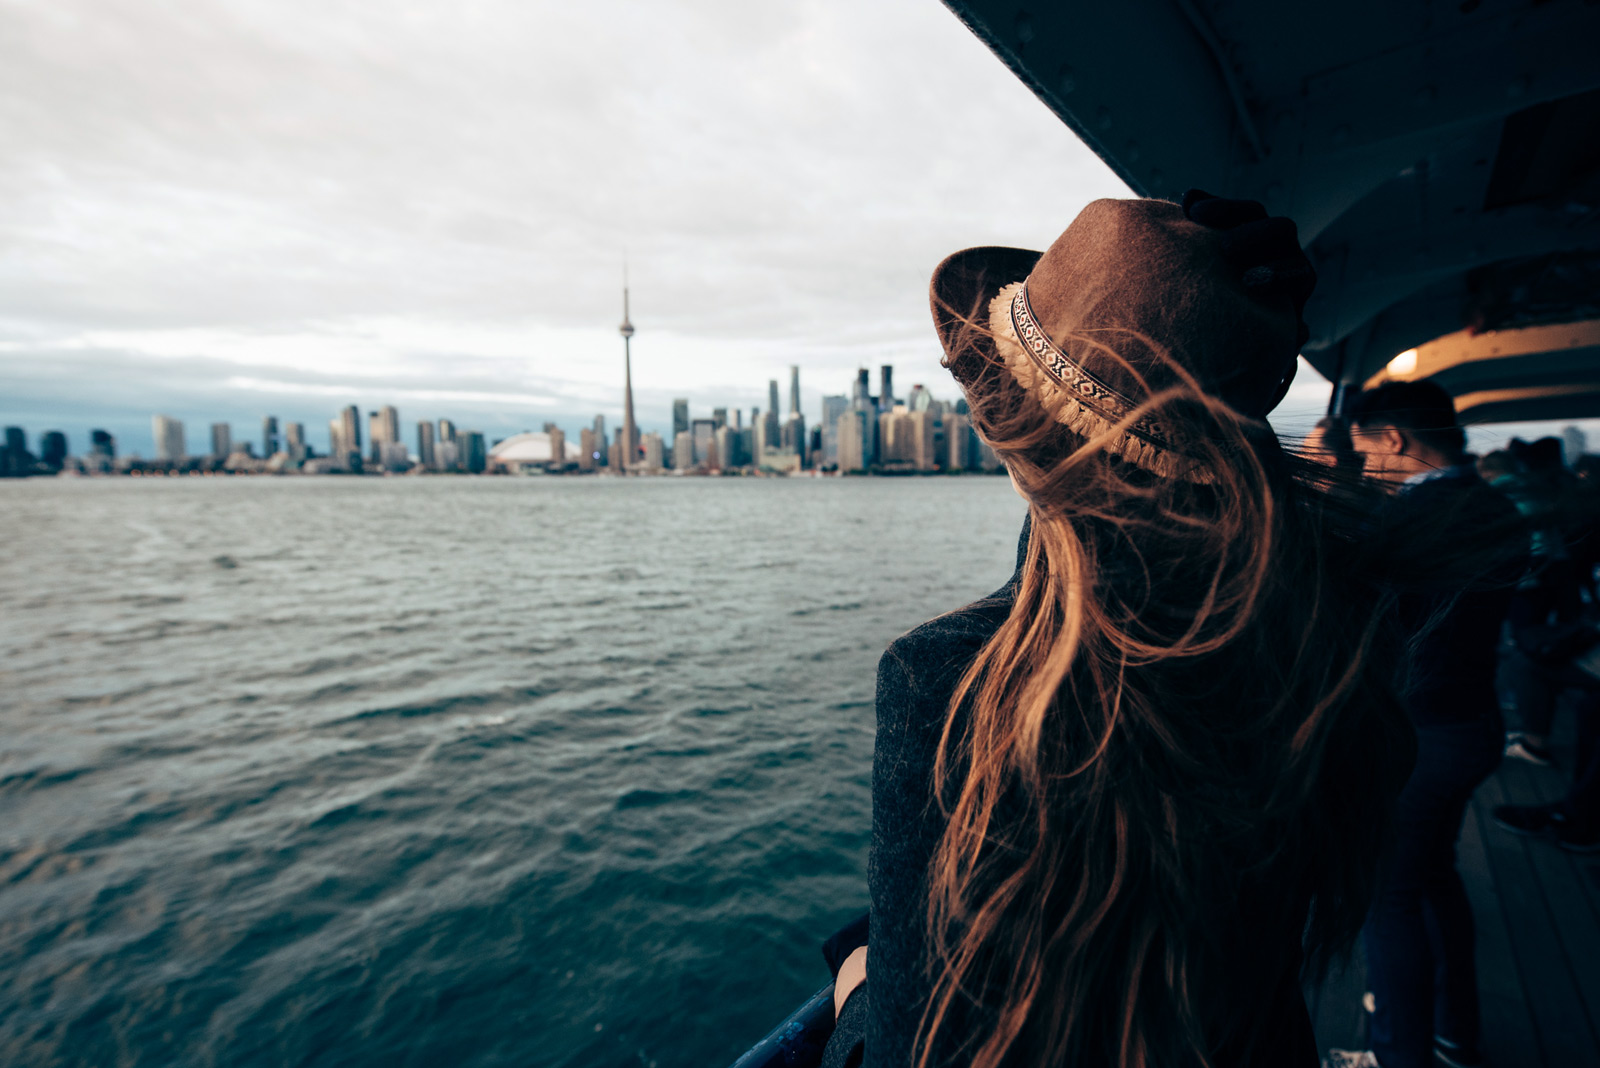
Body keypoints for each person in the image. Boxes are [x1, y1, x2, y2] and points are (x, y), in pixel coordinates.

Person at [818, 193, 1452, 1068]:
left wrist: (860, 998)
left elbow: (917, 1050)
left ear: (1014, 439)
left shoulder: (950, 677)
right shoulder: (1319, 641)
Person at [1339, 381, 1522, 1068]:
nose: (1370, 471)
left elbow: (1354, 595)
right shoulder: (1492, 503)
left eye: (1367, 455)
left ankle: (1397, 1054)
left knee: (1388, 900)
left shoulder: (1417, 515)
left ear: (1393, 438)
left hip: (1420, 733)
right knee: (1433, 878)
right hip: (1472, 722)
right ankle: (1455, 1034)